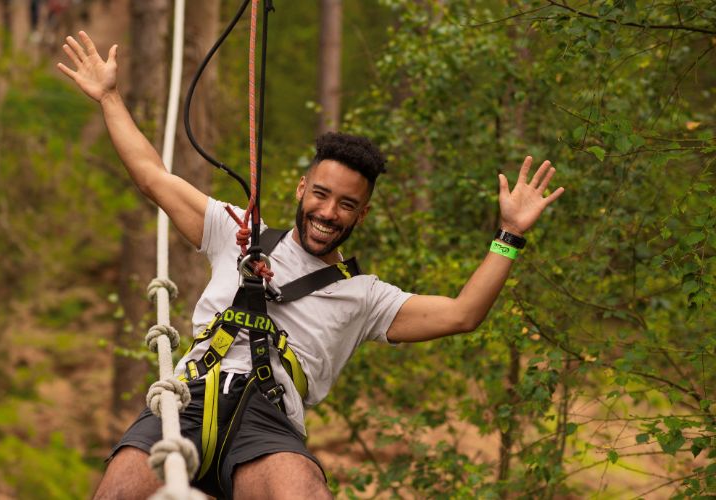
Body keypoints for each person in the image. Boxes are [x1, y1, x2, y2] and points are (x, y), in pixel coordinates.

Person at [58, 31, 564, 500]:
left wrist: (510, 235)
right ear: (302, 189)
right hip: (191, 396)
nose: (328, 212)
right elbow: (151, 176)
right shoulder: (239, 230)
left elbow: (461, 314)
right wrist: (108, 97)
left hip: (267, 423)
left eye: (346, 204)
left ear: (362, 213)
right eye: (320, 194)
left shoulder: (365, 297)